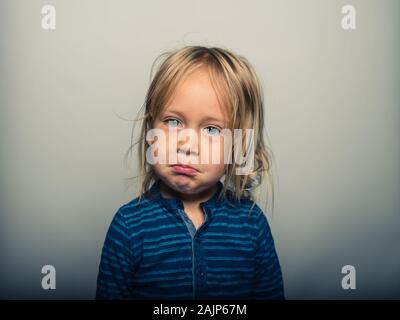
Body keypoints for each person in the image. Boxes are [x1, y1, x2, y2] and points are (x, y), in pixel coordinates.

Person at [96, 45, 285, 300]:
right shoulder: (129, 226)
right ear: (151, 132)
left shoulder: (252, 225)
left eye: (211, 130)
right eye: (173, 122)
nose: (186, 146)